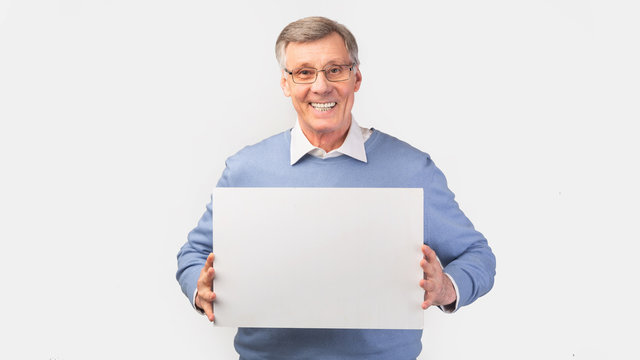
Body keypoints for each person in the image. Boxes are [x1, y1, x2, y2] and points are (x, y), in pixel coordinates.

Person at [176, 16, 496, 359]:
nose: (321, 86)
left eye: (335, 70)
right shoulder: (246, 169)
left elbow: (478, 256)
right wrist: (201, 287)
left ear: (356, 78)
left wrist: (446, 288)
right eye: (304, 72)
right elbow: (193, 255)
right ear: (285, 83)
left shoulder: (411, 169)